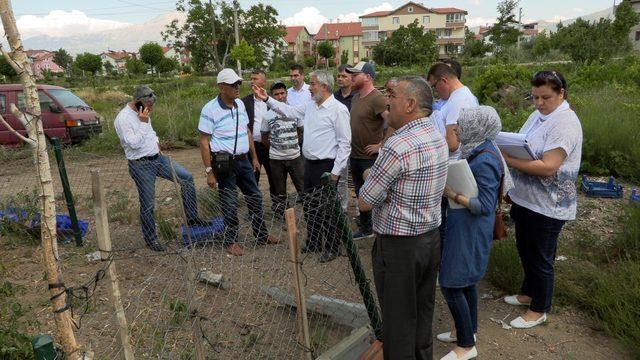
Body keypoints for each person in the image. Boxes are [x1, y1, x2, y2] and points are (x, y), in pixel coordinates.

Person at [359, 76, 448, 359]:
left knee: (398, 323)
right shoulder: (436, 134)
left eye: (392, 95)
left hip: (399, 247)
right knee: (422, 312)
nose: (387, 101)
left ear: (410, 104)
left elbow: (364, 201)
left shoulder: (397, 145)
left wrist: (368, 176)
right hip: (430, 241)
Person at [501, 71, 583, 329]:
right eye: (534, 97)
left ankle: (539, 309)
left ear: (562, 94)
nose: (538, 103)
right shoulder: (539, 116)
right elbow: (523, 141)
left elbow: (549, 167)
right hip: (527, 199)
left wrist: (507, 159)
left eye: (545, 97)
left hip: (549, 205)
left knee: (541, 257)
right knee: (526, 249)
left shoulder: (565, 123)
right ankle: (528, 293)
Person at [253, 70, 351, 263]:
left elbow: (345, 143)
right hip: (310, 164)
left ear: (324, 86)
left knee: (328, 209)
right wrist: (267, 100)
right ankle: (314, 241)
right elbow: (289, 111)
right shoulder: (311, 105)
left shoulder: (338, 110)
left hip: (327, 166)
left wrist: (335, 172)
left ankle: (332, 247)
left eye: (313, 84)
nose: (310, 88)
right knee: (310, 205)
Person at [437, 106, 507, 360]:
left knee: (451, 283)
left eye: (462, 125)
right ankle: (468, 330)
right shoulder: (481, 149)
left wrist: (453, 194)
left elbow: (485, 206)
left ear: (478, 127)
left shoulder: (485, 159)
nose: (456, 129)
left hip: (471, 230)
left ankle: (466, 345)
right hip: (464, 225)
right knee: (465, 281)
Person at [114, 85, 208, 252]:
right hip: (140, 165)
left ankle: (192, 218)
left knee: (186, 178)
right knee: (148, 204)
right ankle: (151, 239)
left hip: (158, 159)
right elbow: (133, 144)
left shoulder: (144, 113)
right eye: (149, 106)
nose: (151, 109)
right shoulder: (123, 119)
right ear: (138, 102)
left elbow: (150, 132)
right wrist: (143, 123)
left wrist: (156, 143)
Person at [198, 68, 279, 256]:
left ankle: (261, 235)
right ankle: (231, 240)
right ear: (221, 86)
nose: (237, 87)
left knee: (255, 197)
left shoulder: (240, 105)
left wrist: (255, 158)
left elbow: (247, 132)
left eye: (238, 84)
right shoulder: (209, 109)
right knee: (229, 202)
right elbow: (204, 142)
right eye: (233, 84)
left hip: (244, 161)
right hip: (224, 163)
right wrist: (209, 171)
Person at [427, 62, 479, 246]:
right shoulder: (462, 96)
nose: (435, 92)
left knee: (445, 223)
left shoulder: (458, 100)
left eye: (435, 86)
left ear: (444, 80)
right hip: (456, 167)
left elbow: (452, 144)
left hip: (452, 169)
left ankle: (442, 265)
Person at [345, 61, 389, 240]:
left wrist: (381, 145)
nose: (353, 77)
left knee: (375, 194)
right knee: (360, 192)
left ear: (368, 77)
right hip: (354, 155)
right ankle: (366, 228)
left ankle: (380, 227)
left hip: (369, 158)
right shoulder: (356, 97)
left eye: (356, 74)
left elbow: (391, 121)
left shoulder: (377, 98)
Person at [260, 81, 304, 218]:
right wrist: (276, 147)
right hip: (276, 159)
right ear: (271, 97)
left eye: (282, 93)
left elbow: (300, 130)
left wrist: (291, 143)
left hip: (295, 157)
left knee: (302, 188)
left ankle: (310, 214)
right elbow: (264, 137)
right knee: (280, 191)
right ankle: (285, 217)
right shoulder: (267, 116)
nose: (280, 96)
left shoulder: (294, 112)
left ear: (286, 94)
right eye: (276, 94)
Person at [241, 70, 274, 193]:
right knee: (253, 179)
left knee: (275, 178)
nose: (252, 81)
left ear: (264, 82)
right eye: (251, 78)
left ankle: (278, 209)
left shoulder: (271, 100)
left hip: (270, 145)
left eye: (255, 79)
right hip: (253, 146)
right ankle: (254, 210)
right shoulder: (244, 102)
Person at [334, 64, 355, 213]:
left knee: (358, 180)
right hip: (339, 144)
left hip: (357, 144)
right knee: (341, 178)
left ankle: (362, 212)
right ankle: (343, 208)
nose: (340, 79)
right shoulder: (334, 98)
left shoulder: (358, 97)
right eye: (339, 76)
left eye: (344, 76)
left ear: (352, 79)